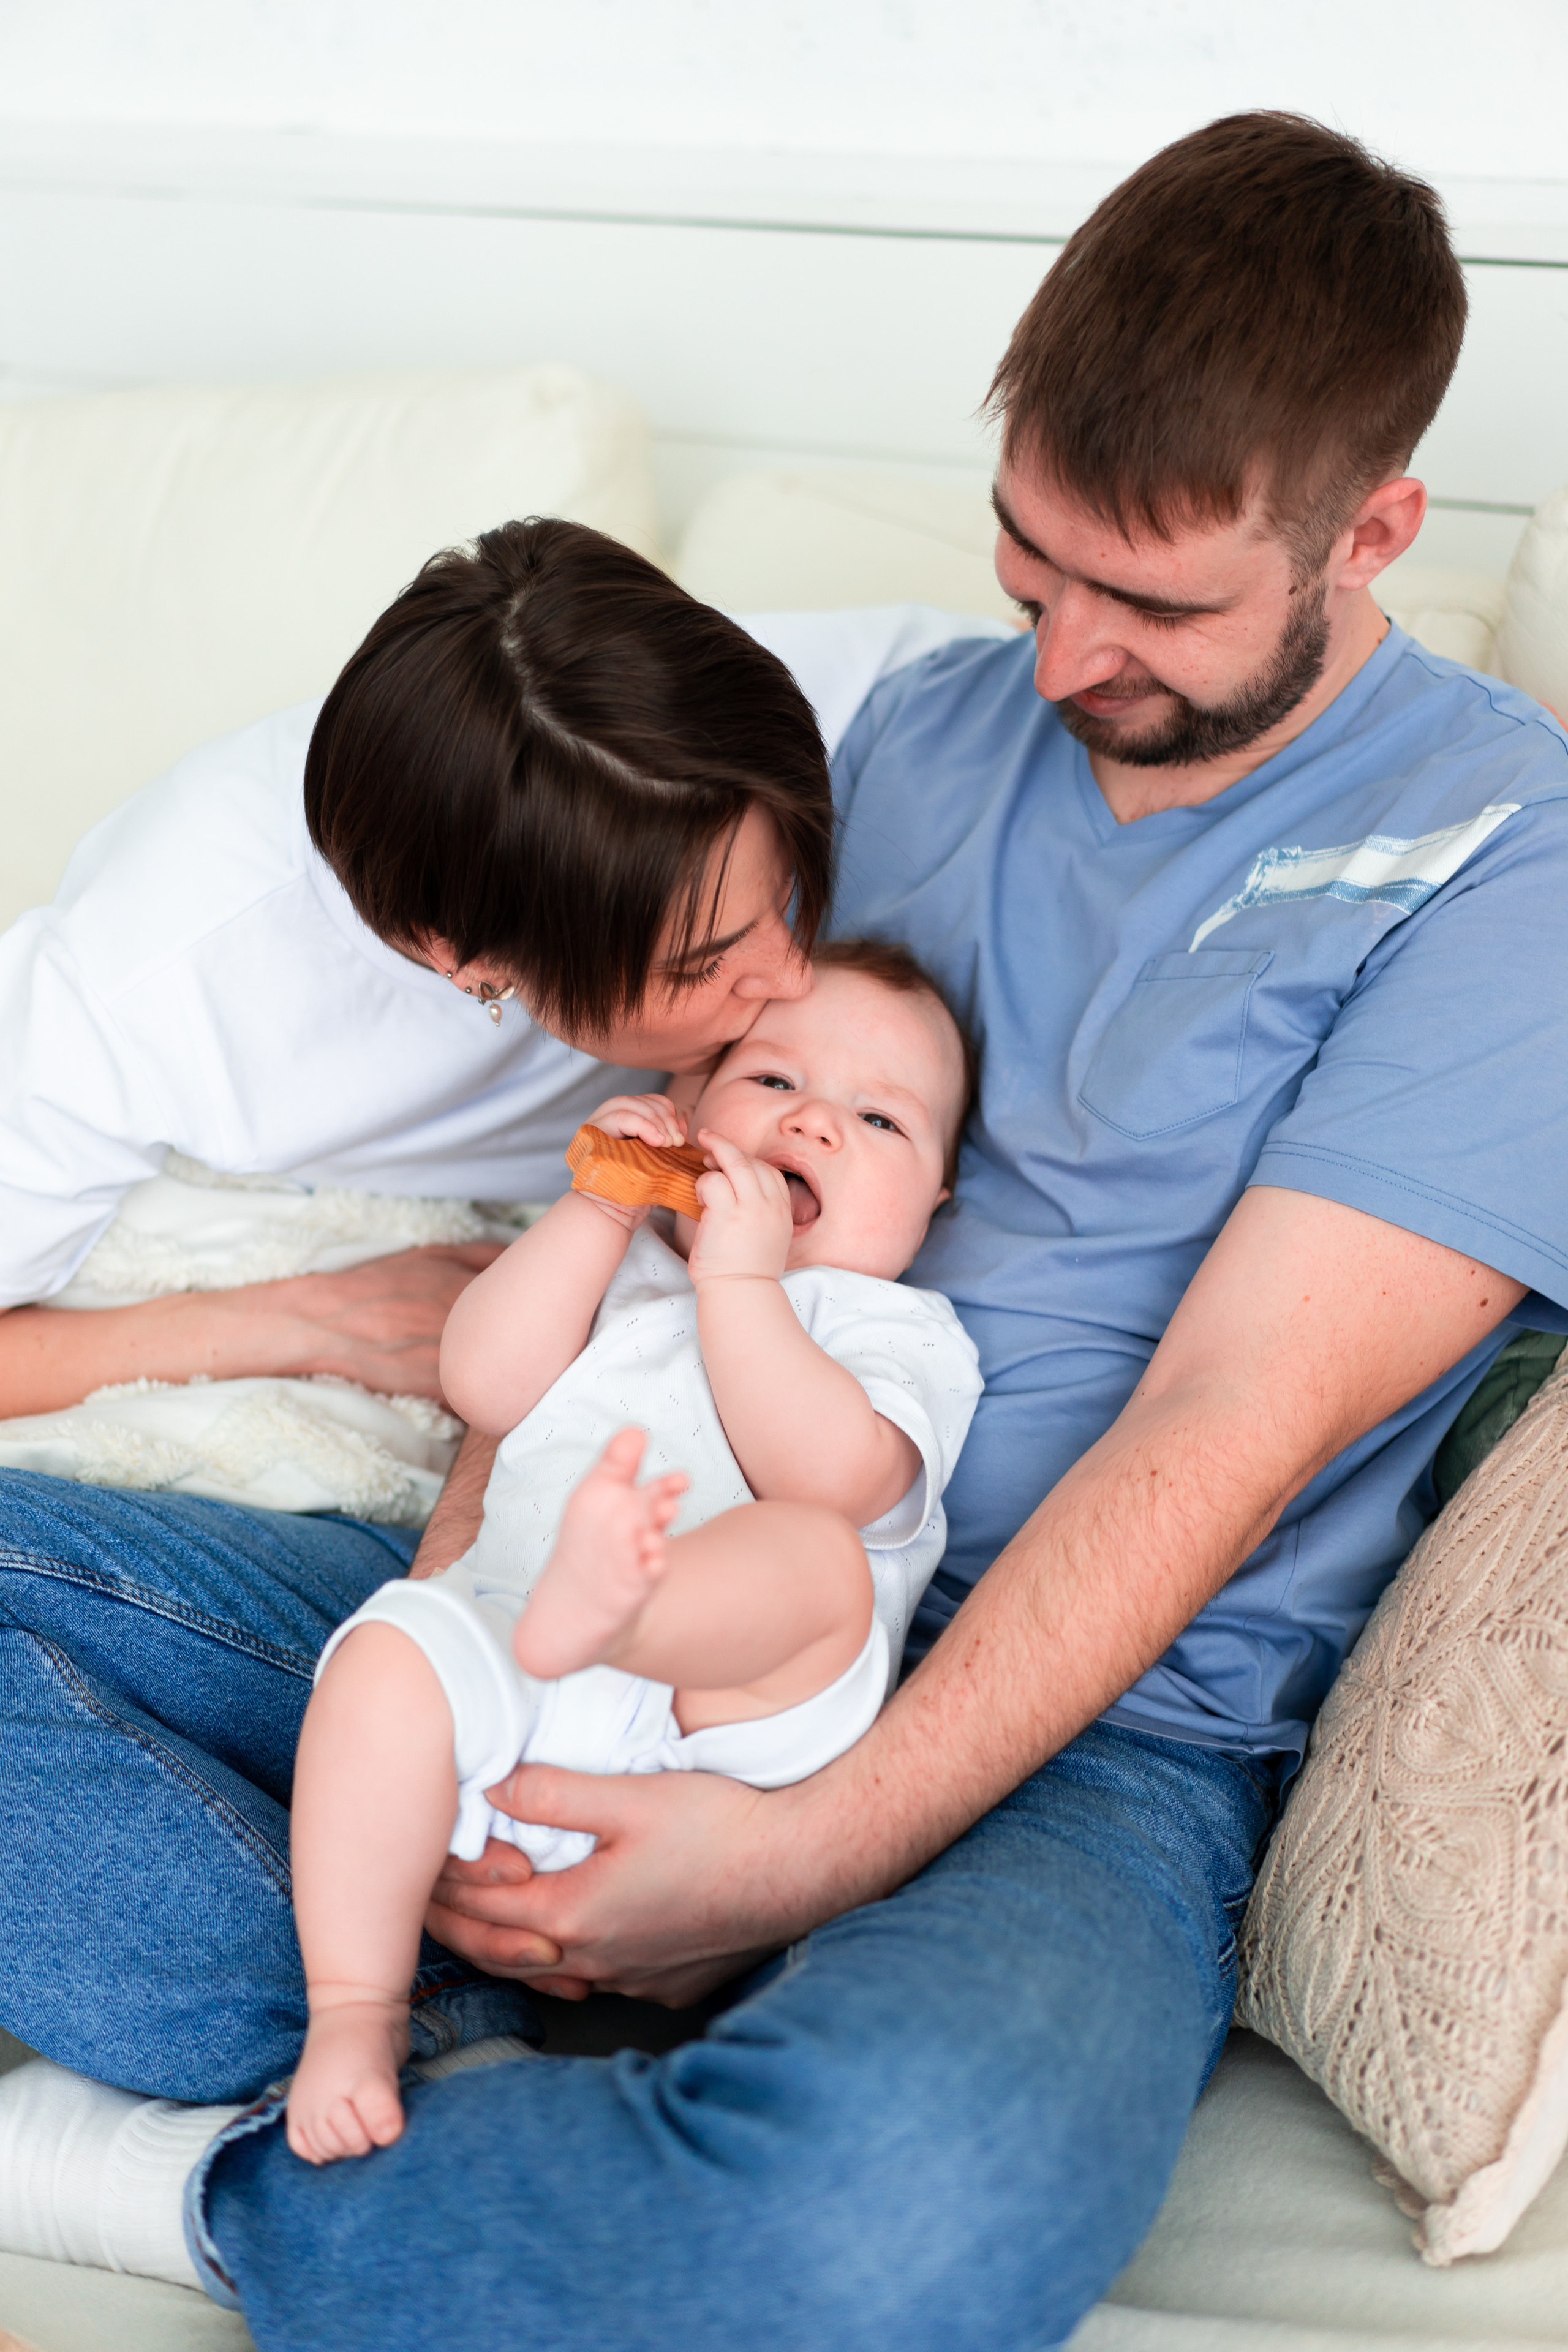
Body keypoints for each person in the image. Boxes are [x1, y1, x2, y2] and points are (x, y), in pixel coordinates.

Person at [2, 108, 1566, 2351]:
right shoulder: (892, 736)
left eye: (1153, 603)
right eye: (1032, 566)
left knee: (884, 2228)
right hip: (590, 1567)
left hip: (1083, 1741)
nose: (1060, 662)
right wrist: (474, 1580)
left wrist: (797, 1852)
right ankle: (432, 2049)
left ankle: (247, 2188)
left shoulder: (1506, 866)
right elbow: (622, 1178)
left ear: (1376, 530)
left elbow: (1231, 1425)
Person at [284, 944, 980, 2163]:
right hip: (516, 1655)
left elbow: (835, 1480)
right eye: (769, 1081)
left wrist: (743, 1283)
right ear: (694, 1115)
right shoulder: (618, 1271)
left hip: (731, 1726)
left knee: (810, 1555)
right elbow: (482, 1384)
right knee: (385, 1654)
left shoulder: (893, 1328)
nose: (813, 1118)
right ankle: (354, 2008)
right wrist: (599, 1207)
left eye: (878, 1118)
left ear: (934, 1208)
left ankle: (631, 1603)